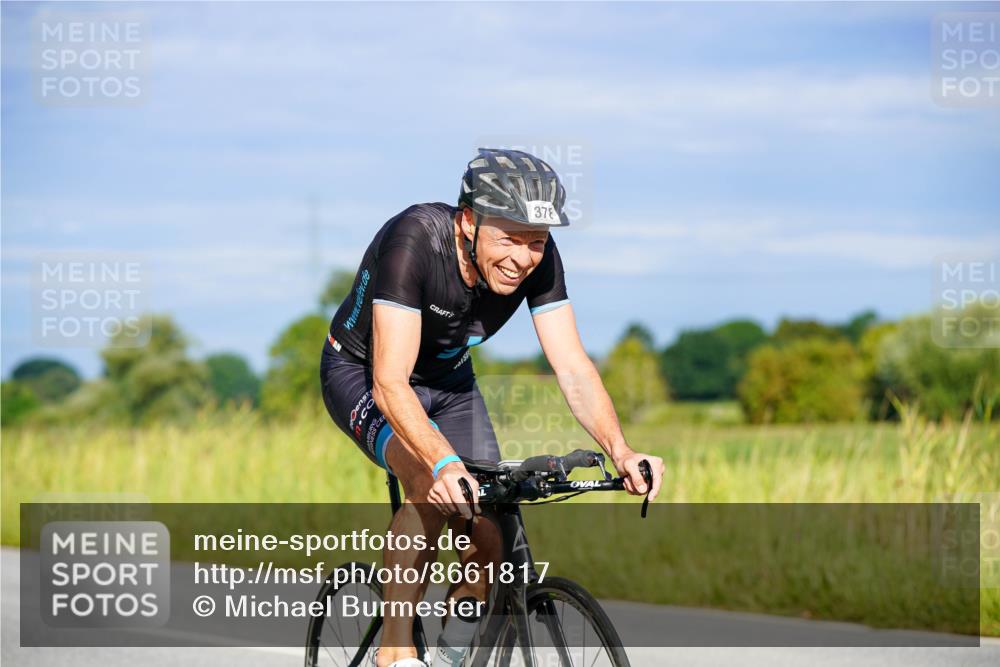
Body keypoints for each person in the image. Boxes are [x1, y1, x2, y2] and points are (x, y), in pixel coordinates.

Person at [320, 147, 665, 667]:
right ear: (468, 222)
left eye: (536, 242)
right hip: (364, 376)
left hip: (451, 384)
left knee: (489, 520)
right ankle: (393, 654)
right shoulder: (415, 241)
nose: (523, 258)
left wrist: (620, 450)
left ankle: (451, 654)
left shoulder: (540, 259)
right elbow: (391, 383)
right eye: (508, 237)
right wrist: (441, 462)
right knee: (430, 485)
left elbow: (571, 365)